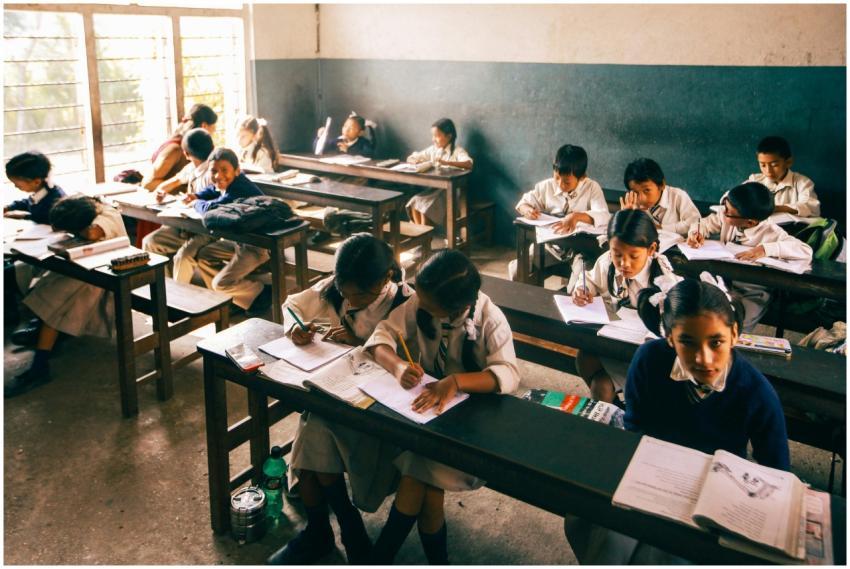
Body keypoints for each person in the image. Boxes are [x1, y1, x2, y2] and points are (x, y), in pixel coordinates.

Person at [564, 276, 790, 564]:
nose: (704, 358)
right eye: (687, 342)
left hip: (714, 495)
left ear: (735, 334)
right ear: (670, 337)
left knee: (664, 553)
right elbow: (635, 426)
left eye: (716, 342)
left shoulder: (756, 392)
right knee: (586, 519)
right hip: (653, 478)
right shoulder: (649, 360)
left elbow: (778, 473)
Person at [364, 249, 519, 564]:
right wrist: (396, 366)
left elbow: (509, 374)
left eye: (426, 303)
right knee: (428, 490)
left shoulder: (490, 319)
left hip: (476, 424)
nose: (416, 303)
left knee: (417, 475)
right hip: (434, 418)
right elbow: (381, 337)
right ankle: (436, 561)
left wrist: (456, 382)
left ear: (457, 308)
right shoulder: (420, 303)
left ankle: (380, 557)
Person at [267, 234, 413, 565]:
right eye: (345, 291)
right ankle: (347, 529)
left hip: (376, 413)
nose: (350, 300)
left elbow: (411, 363)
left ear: (386, 278)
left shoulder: (404, 303)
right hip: (333, 396)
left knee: (311, 441)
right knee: (314, 428)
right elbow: (293, 305)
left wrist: (360, 342)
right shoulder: (336, 289)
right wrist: (295, 327)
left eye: (359, 294)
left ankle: (324, 531)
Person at [6, 196, 128, 397]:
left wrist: (77, 233)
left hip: (101, 277)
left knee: (55, 305)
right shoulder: (86, 206)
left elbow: (92, 233)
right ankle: (41, 332)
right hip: (81, 268)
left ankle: (39, 367)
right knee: (25, 271)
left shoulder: (105, 218)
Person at [571, 210, 680, 403]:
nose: (624, 263)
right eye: (617, 254)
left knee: (602, 389)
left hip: (643, 354)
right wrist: (582, 289)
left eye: (633, 256)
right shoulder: (606, 263)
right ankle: (617, 410)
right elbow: (589, 279)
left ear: (651, 249)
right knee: (585, 358)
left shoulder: (664, 279)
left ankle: (628, 409)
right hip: (611, 342)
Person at [687, 182, 813, 330]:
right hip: (722, 280)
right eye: (724, 206)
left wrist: (765, 249)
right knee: (698, 313)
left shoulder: (770, 231)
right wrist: (696, 233)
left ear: (750, 222)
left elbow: (805, 250)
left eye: (728, 212)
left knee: (736, 325)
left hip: (753, 289)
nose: (722, 212)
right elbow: (704, 223)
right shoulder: (726, 216)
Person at [510, 144, 609, 281]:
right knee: (517, 271)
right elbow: (524, 202)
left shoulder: (592, 188)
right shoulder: (546, 186)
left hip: (579, 251)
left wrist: (576, 216)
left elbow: (604, 216)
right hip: (551, 248)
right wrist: (526, 209)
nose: (560, 184)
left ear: (582, 177)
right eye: (557, 177)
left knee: (580, 284)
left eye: (567, 182)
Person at [191, 148, 271, 314]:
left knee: (219, 284)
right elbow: (213, 190)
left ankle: (261, 294)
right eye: (214, 171)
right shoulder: (230, 182)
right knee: (204, 255)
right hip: (241, 242)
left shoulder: (239, 188)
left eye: (224, 170)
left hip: (259, 246)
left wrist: (195, 203)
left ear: (237, 170)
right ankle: (233, 300)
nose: (218, 176)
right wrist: (197, 196)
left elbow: (211, 209)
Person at [135, 103, 217, 246]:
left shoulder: (209, 168)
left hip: (198, 218)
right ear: (204, 127)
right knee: (152, 241)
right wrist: (167, 193)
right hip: (175, 210)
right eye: (213, 129)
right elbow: (149, 183)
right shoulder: (176, 149)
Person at [141, 128, 215, 281]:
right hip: (187, 225)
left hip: (206, 231)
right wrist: (161, 192)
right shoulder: (191, 168)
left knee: (182, 257)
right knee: (150, 242)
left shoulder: (212, 172)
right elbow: (171, 183)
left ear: (186, 154)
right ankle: (164, 289)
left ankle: (180, 300)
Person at [406, 118, 473, 227]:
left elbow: (468, 164)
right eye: (433, 136)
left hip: (450, 192)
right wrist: (414, 159)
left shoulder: (457, 151)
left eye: (437, 136)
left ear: (449, 136)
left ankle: (425, 237)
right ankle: (423, 236)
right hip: (434, 190)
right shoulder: (433, 149)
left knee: (424, 206)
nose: (434, 140)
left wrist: (447, 162)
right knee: (415, 202)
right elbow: (414, 157)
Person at [619, 157, 700, 236]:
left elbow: (696, 223)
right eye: (635, 192)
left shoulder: (678, 196)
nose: (641, 199)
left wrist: (661, 228)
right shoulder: (632, 205)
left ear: (661, 185)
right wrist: (626, 218)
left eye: (647, 190)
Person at [746, 135, 820, 218]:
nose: (768, 171)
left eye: (774, 165)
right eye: (763, 165)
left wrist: (774, 209)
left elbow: (811, 207)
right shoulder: (755, 180)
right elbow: (733, 198)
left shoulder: (803, 183)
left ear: (789, 162)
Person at [4, 151, 66, 224]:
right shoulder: (42, 192)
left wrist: (25, 216)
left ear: (36, 182)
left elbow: (46, 218)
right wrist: (9, 207)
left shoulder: (55, 200)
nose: (15, 186)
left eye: (17, 184)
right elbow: (29, 203)